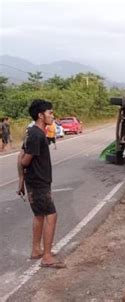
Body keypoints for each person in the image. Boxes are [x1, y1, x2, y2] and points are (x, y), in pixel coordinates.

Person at [17, 99, 65, 269]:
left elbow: (22, 155)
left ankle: (36, 250)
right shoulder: (37, 135)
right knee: (51, 216)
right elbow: (23, 160)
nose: (52, 115)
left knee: (39, 215)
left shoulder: (32, 132)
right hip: (38, 183)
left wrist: (22, 182)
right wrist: (22, 179)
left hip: (36, 181)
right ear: (40, 115)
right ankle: (46, 256)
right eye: (50, 112)